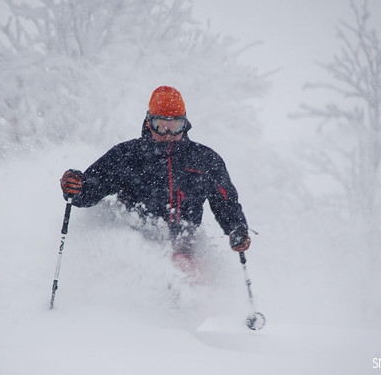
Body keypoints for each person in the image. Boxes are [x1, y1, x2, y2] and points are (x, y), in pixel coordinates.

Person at [60, 86, 251, 272]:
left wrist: (237, 228)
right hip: (135, 246)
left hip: (185, 248)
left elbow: (225, 203)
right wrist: (75, 187)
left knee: (188, 276)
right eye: (161, 126)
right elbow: (88, 193)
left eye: (175, 126)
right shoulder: (126, 155)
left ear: (185, 125)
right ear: (149, 123)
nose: (168, 134)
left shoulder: (205, 159)